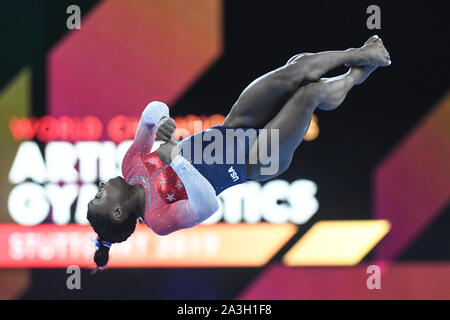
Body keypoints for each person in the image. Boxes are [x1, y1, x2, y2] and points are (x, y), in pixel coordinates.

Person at [87, 35, 391, 268]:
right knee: (307, 94)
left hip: (232, 129)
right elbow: (206, 206)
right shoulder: (157, 219)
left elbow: (151, 112)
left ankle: (362, 57)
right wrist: (177, 160)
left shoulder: (131, 165)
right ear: (118, 212)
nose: (101, 187)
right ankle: (355, 75)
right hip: (254, 160)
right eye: (100, 196)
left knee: (296, 68)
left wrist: (163, 119)